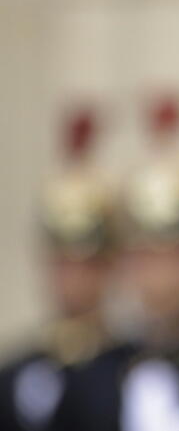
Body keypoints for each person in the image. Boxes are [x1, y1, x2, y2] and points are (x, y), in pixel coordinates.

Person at [0, 167, 134, 431]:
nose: (74, 279)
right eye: (63, 264)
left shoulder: (132, 370)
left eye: (88, 265)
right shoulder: (14, 373)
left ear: (111, 267)